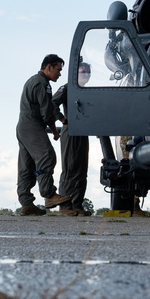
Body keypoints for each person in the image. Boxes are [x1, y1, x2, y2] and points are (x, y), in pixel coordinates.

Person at [16, 54, 70, 215]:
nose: (60, 74)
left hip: (22, 127)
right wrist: (54, 131)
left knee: (27, 165)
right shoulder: (42, 84)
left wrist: (61, 118)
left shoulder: (32, 80)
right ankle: (49, 194)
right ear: (49, 67)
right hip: (32, 125)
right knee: (47, 156)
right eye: (58, 70)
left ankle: (26, 203)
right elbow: (46, 111)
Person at [52, 62, 92, 216]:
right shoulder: (68, 87)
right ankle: (65, 206)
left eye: (88, 71)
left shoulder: (87, 91)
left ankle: (77, 204)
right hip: (71, 131)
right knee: (70, 169)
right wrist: (62, 120)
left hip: (83, 132)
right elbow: (53, 103)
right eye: (82, 71)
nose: (86, 74)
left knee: (82, 169)